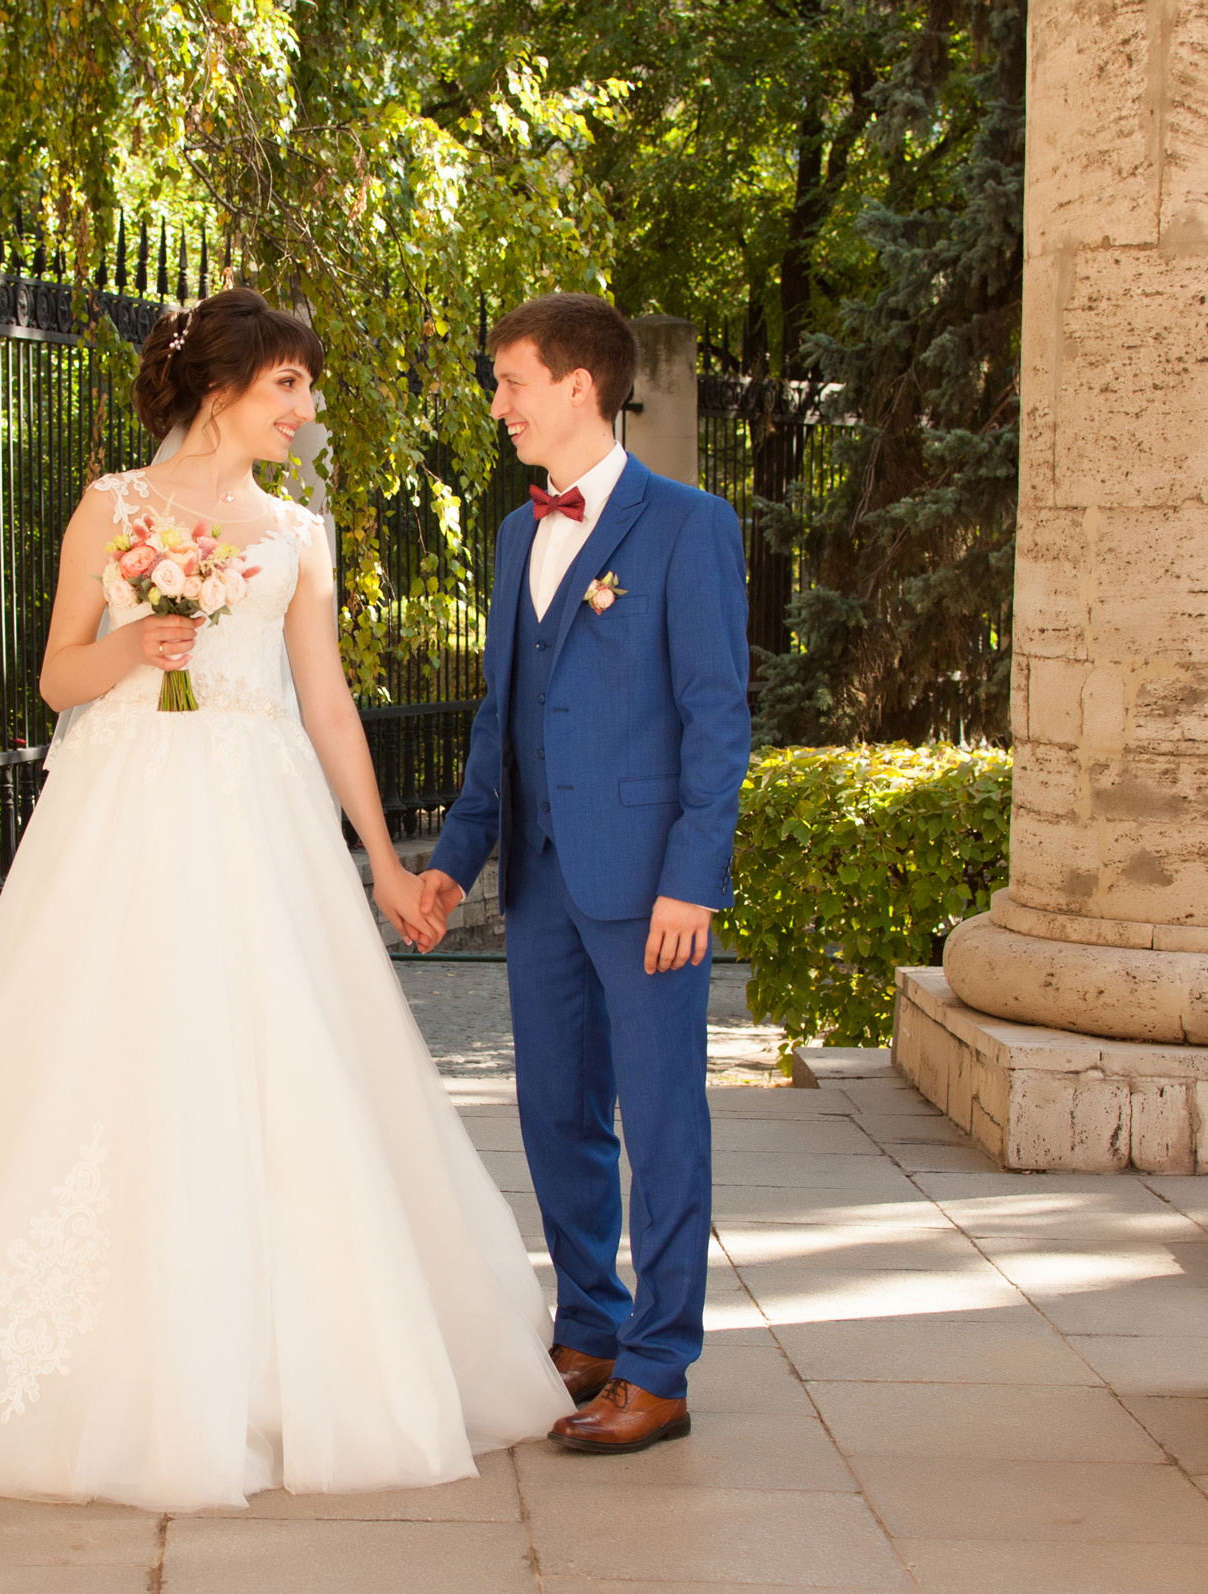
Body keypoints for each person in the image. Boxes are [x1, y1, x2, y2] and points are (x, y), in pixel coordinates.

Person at [0, 286, 572, 1511]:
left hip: (261, 825)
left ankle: (280, 1356)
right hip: (123, 812)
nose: (306, 410)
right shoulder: (112, 508)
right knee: (101, 1057)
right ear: (223, 387)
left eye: (307, 389)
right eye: (289, 387)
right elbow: (57, 675)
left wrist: (381, 857)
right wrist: (133, 650)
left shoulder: (298, 535)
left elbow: (326, 707)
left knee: (280, 1067)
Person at [417, 293, 751, 1454]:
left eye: (511, 379)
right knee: (556, 1111)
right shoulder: (519, 534)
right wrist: (458, 862)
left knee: (660, 1120)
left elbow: (716, 717)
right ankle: (591, 1329)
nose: (497, 400)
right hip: (544, 883)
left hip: (652, 882)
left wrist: (694, 878)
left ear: (577, 386)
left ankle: (661, 1370)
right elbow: (499, 720)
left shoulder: (688, 525)